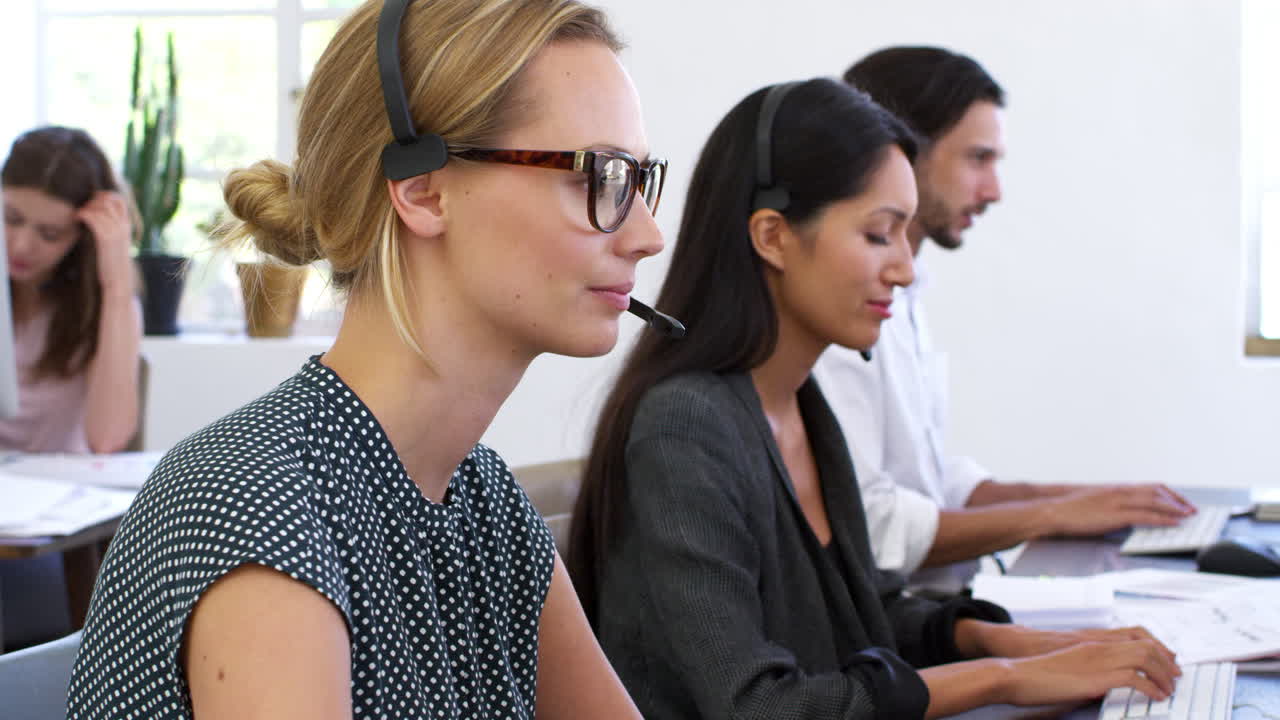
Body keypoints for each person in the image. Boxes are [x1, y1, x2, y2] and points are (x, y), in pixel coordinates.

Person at [68, 0, 662, 717]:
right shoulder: (258, 506)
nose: (647, 235)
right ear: (423, 192)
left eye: (638, 180)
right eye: (599, 176)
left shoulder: (486, 506)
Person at [568, 78, 1180, 720]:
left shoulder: (797, 403)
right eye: (880, 234)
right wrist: (1002, 678)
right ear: (773, 237)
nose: (905, 268)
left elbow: (862, 614)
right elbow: (758, 707)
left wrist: (1003, 641)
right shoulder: (686, 427)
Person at [812, 47, 1195, 592]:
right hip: (906, 624)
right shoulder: (837, 311)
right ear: (901, 153)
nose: (994, 190)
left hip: (941, 608)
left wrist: (1080, 500)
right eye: (978, 159)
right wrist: (1050, 515)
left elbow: (923, 480)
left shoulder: (908, 290)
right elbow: (870, 526)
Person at [0, 126, 141, 454]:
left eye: (49, 234)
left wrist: (117, 285)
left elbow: (107, 439)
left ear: (81, 236)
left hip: (58, 481)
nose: (21, 246)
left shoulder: (107, 307)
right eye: (11, 219)